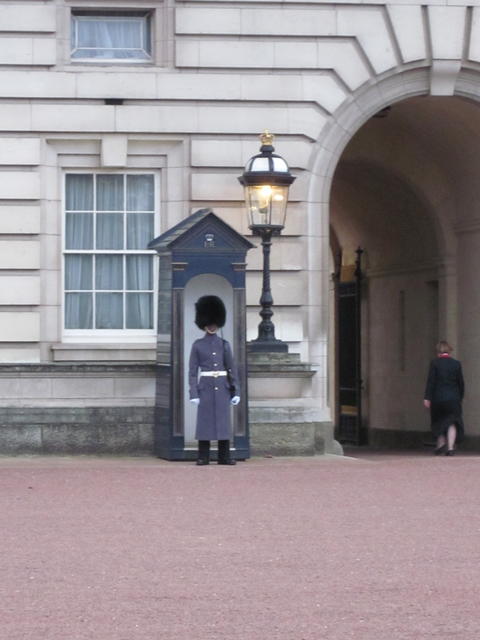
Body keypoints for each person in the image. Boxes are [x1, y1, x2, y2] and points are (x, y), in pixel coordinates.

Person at [188, 295, 240, 466]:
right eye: (209, 323)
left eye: (214, 323)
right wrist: (193, 393)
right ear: (204, 324)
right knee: (205, 422)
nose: (212, 326)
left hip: (223, 387)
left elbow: (231, 368)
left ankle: (224, 456)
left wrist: (235, 390)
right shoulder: (198, 345)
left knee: (223, 422)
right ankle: (203, 456)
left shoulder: (224, 344)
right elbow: (193, 372)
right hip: (206, 387)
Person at [424, 341, 465, 456]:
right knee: (452, 422)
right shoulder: (456, 364)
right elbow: (461, 383)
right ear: (449, 351)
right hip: (453, 399)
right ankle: (451, 448)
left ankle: (441, 444)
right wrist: (460, 397)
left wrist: (427, 397)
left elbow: (431, 381)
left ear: (438, 352)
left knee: (438, 422)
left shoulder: (435, 363)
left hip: (438, 399)